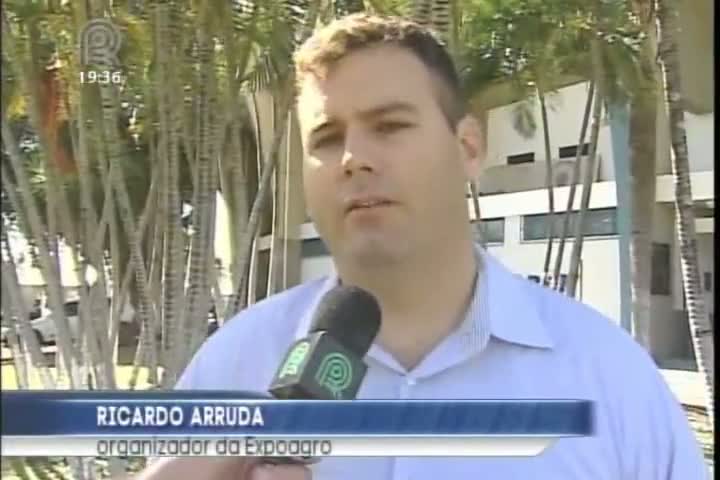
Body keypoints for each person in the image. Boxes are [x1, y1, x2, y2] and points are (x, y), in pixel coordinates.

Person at [138, 13, 709, 480]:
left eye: (389, 126)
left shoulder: (607, 376)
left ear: (467, 146)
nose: (353, 158)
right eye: (328, 137)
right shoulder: (236, 364)